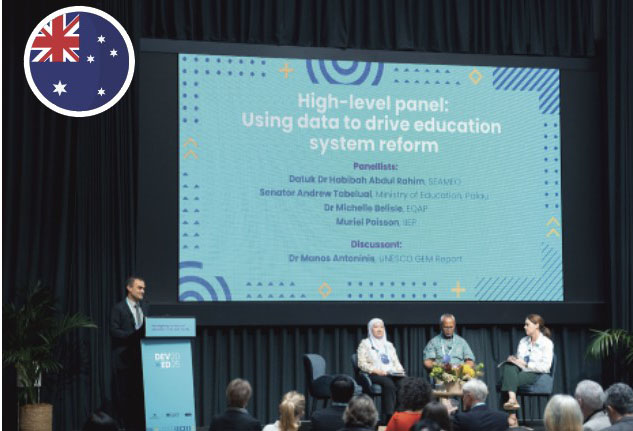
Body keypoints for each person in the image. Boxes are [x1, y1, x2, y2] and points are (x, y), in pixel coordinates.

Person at [499, 313, 554, 426]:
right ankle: (512, 399)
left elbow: (546, 367)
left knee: (507, 380)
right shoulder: (523, 341)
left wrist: (527, 364)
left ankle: (512, 417)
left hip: (535, 372)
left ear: (536, 325)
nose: (524, 327)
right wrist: (514, 359)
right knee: (508, 366)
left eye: (527, 324)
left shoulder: (547, 343)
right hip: (521, 370)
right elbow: (520, 359)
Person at [110, 276, 148, 431]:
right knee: (125, 396)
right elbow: (114, 331)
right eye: (139, 287)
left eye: (144, 288)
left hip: (142, 359)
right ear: (129, 288)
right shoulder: (119, 308)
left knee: (139, 396)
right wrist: (132, 336)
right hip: (124, 359)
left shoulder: (145, 307)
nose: (142, 291)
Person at [356, 317, 405, 422]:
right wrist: (376, 370)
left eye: (382, 327)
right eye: (376, 327)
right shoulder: (365, 344)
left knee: (403, 382)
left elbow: (396, 362)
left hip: (390, 373)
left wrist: (400, 371)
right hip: (373, 374)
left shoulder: (389, 345)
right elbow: (361, 364)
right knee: (388, 384)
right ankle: (389, 417)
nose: (379, 329)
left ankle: (400, 413)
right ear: (370, 329)